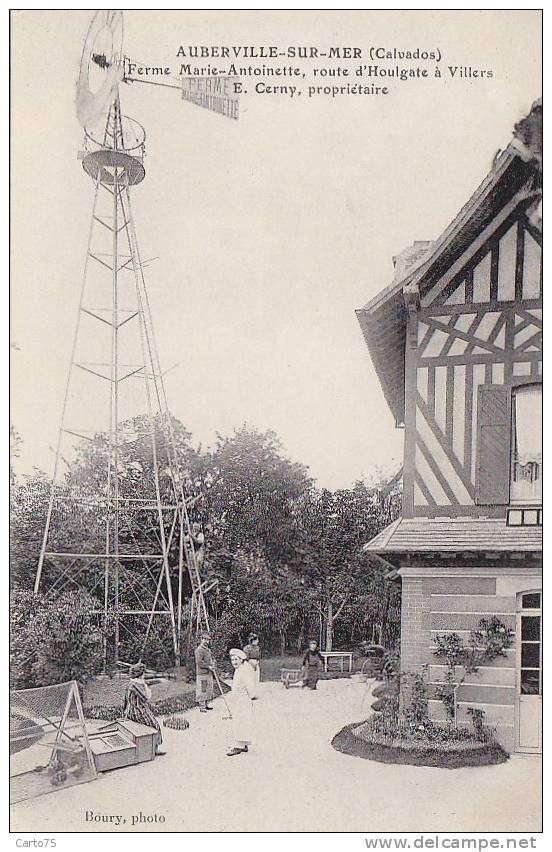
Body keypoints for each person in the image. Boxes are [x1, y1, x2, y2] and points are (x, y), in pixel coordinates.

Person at [122, 662, 164, 753]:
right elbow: (146, 697)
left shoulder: (131, 683)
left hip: (130, 710)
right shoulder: (137, 685)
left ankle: (146, 747)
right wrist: (145, 685)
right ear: (141, 674)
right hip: (138, 711)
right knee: (155, 725)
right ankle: (155, 748)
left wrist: (124, 712)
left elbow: (125, 699)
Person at [226, 648, 254, 756]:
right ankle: (243, 743)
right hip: (238, 699)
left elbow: (250, 686)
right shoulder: (238, 670)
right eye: (232, 660)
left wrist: (249, 697)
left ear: (241, 660)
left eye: (236, 660)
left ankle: (239, 745)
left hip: (243, 700)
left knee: (241, 721)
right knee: (240, 721)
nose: (234, 662)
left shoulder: (244, 671)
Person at [194, 631, 215, 712]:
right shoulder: (199, 650)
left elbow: (210, 659)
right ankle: (202, 706)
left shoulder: (208, 650)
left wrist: (213, 664)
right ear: (201, 640)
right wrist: (208, 666)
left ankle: (206, 705)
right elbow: (199, 662)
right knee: (202, 689)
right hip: (202, 673)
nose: (206, 641)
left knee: (208, 689)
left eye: (208, 640)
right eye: (205, 639)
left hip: (209, 673)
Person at [243, 633, 261, 699]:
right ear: (252, 640)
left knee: (255, 679)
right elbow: (246, 657)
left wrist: (257, 663)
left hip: (256, 663)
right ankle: (249, 694)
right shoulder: (247, 648)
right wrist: (252, 664)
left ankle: (253, 694)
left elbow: (259, 657)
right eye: (256, 640)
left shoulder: (257, 648)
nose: (257, 641)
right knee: (249, 679)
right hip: (249, 664)